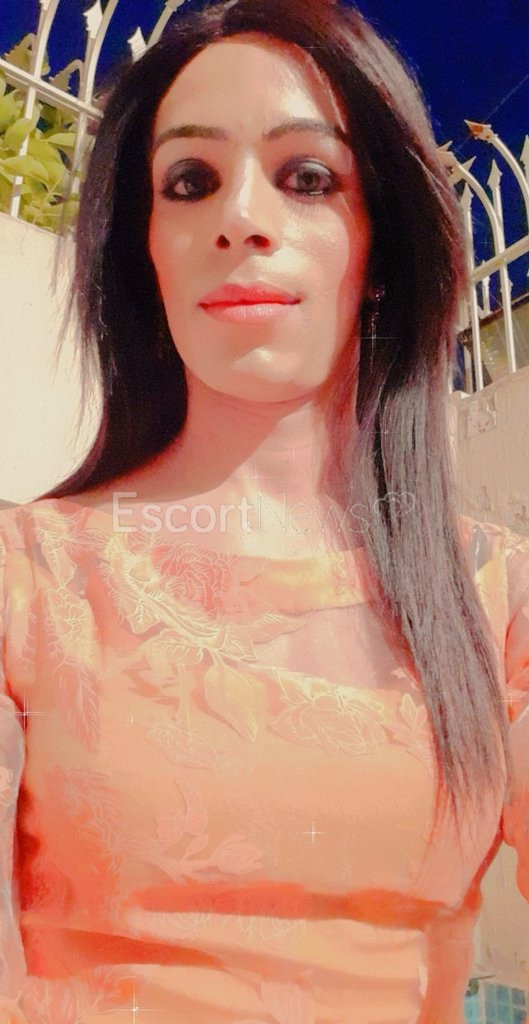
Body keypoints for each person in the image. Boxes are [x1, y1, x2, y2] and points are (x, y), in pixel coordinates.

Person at [0, 0, 527, 1021]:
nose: (239, 217)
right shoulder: (27, 579)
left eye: (308, 177)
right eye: (189, 181)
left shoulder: (492, 601)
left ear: (381, 249)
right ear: (147, 253)